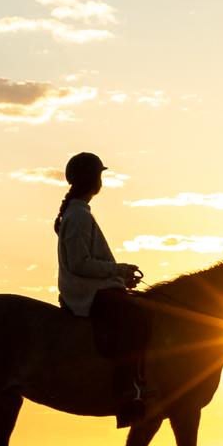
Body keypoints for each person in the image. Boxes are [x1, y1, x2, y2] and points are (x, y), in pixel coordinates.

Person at [54, 152, 152, 427]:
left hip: (92, 286)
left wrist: (118, 276)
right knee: (135, 318)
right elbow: (79, 263)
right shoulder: (78, 215)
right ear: (92, 179)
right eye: (99, 175)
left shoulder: (78, 212)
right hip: (85, 291)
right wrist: (116, 270)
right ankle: (127, 391)